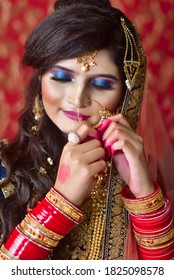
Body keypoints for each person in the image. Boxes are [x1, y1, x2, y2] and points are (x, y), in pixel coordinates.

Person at [0, 0, 173, 260]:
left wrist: (144, 195)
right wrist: (60, 203)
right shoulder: (5, 170)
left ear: (128, 94)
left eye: (102, 84)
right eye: (61, 78)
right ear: (40, 79)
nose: (78, 99)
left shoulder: (143, 176)